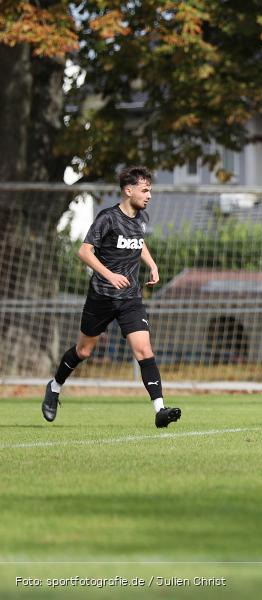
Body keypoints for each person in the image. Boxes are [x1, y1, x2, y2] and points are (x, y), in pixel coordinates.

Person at [41, 166, 181, 429]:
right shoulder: (107, 218)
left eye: (150, 190)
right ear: (129, 191)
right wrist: (109, 275)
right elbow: (84, 252)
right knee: (84, 350)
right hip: (102, 297)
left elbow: (138, 242)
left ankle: (160, 409)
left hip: (130, 298)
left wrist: (152, 264)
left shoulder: (142, 218)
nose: (149, 195)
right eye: (145, 190)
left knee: (144, 350)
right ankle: (55, 386)